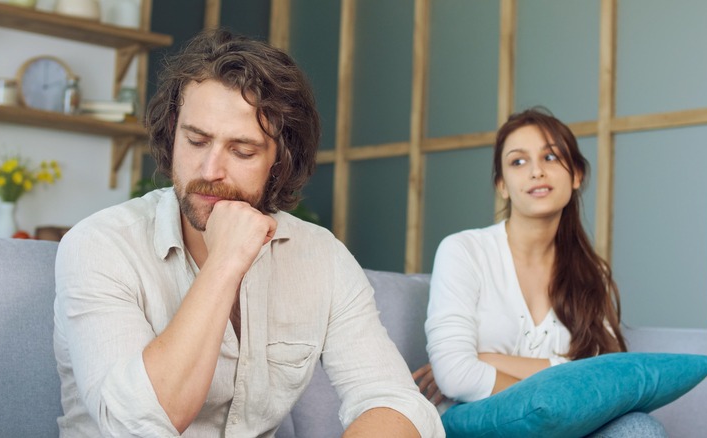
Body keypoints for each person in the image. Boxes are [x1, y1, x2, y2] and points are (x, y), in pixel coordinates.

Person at [53, 28, 443, 437]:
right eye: (197, 140)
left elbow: (394, 400)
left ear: (281, 158)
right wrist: (225, 262)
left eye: (242, 151)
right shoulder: (100, 245)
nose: (209, 171)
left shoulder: (320, 257)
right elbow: (136, 424)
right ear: (173, 129)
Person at [413, 107, 667, 436]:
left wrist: (488, 359)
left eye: (550, 158)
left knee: (639, 428)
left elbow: (601, 379)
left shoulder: (591, 273)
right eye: (518, 161)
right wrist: (561, 391)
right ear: (502, 185)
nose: (536, 171)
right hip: (480, 424)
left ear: (576, 175)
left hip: (567, 428)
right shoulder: (463, 251)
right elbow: (454, 375)